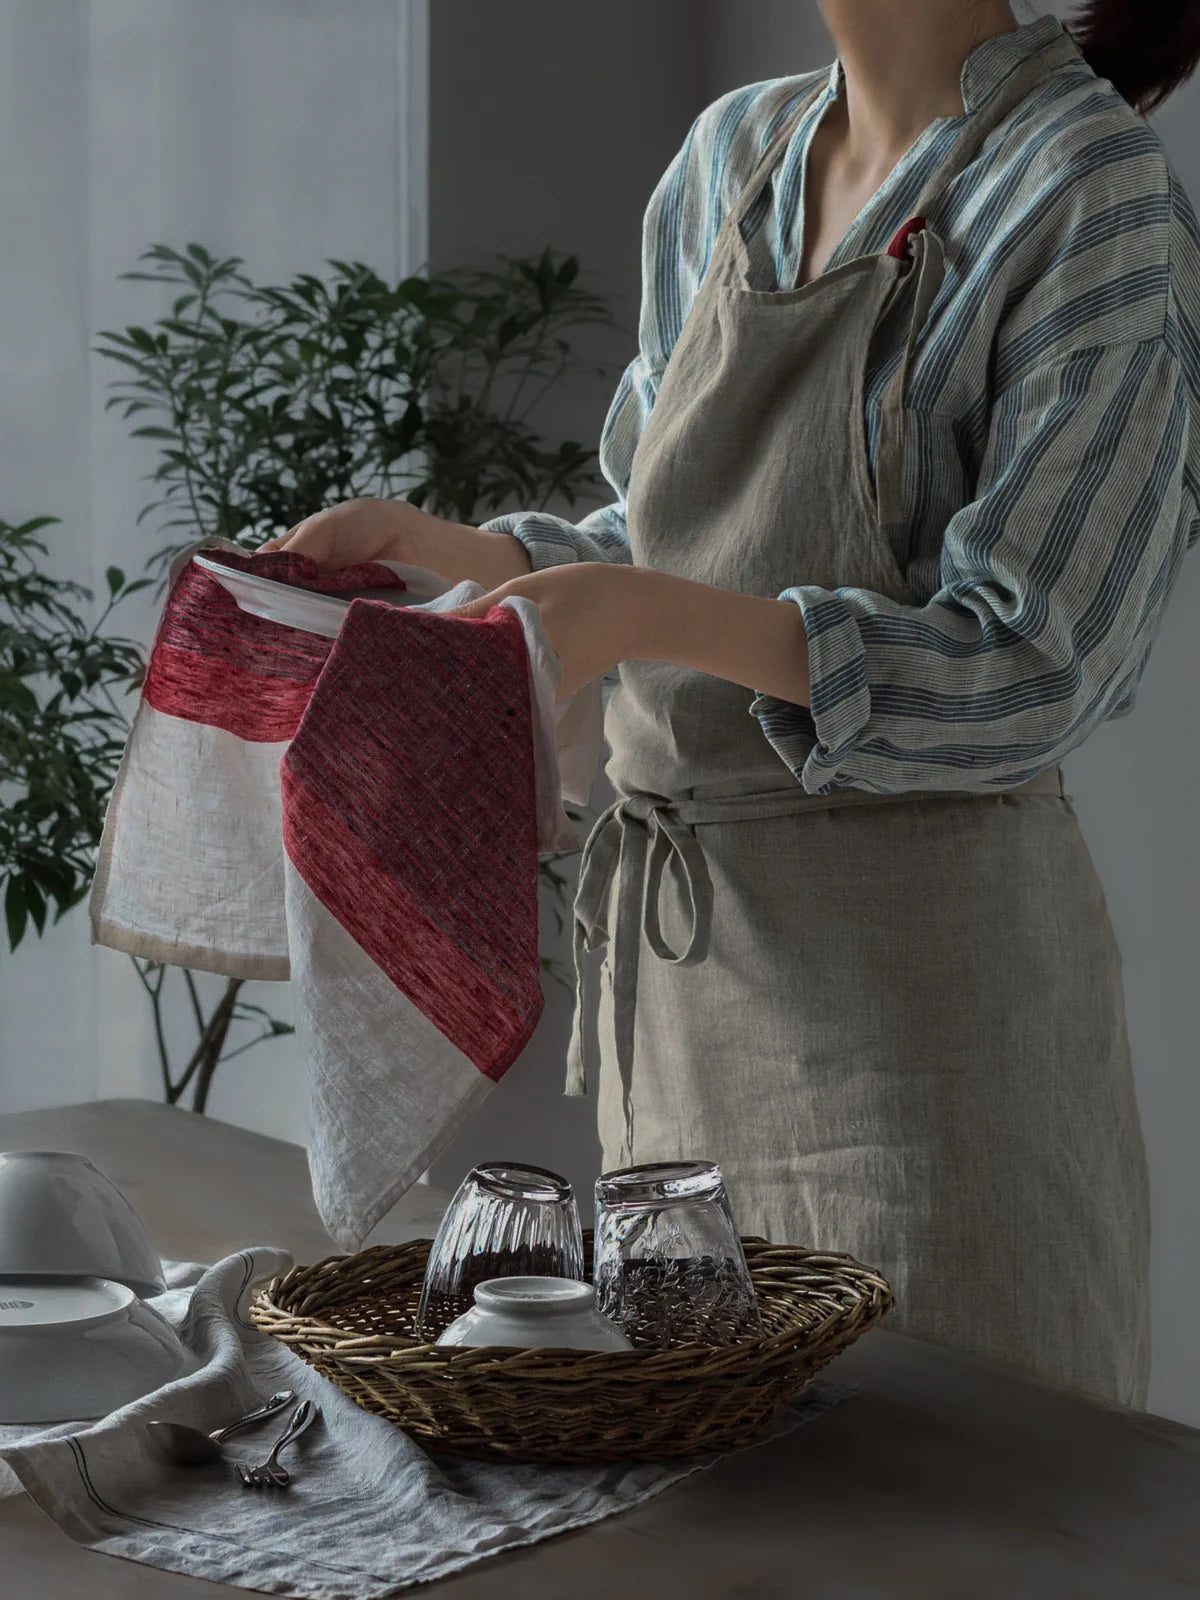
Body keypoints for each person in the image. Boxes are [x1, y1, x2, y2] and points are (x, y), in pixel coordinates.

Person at [261, 1, 1200, 1409]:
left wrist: (644, 615)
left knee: (938, 1503)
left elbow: (1034, 667)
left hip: (929, 1038)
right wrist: (445, 554)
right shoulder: (732, 157)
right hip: (684, 1018)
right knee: (717, 1514)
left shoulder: (1090, 190)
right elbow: (659, 540)